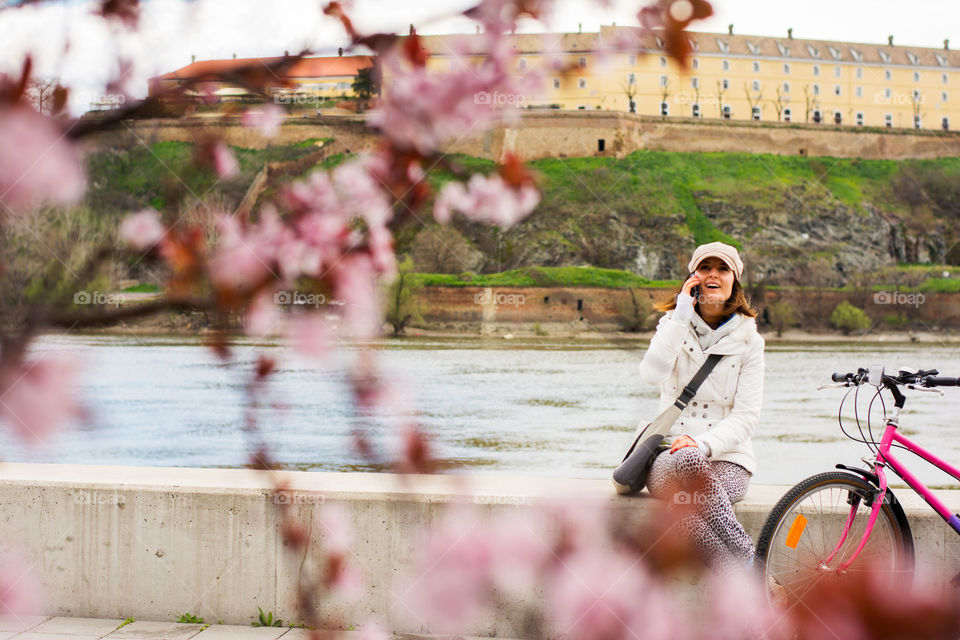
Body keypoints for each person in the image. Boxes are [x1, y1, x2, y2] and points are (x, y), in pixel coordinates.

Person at [637, 241, 764, 572]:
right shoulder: (672, 325)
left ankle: (738, 584)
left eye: (722, 269)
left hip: (728, 459)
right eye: (705, 267)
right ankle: (751, 566)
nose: (713, 275)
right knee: (684, 460)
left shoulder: (750, 341)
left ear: (734, 280)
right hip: (667, 454)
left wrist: (704, 444)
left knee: (681, 510)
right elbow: (650, 375)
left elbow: (747, 417)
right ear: (692, 277)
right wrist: (680, 316)